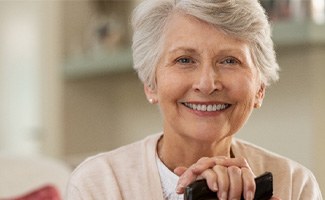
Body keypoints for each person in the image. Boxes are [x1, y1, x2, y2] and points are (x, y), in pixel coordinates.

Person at [66, 0, 323, 199]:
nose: (207, 84)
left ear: (260, 88)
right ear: (150, 84)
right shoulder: (99, 185)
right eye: (184, 60)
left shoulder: (295, 185)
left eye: (230, 61)